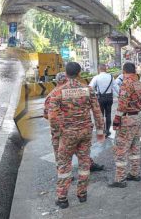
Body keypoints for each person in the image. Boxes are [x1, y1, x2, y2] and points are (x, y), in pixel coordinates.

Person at [47, 62, 105, 209]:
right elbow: (97, 112)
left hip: (67, 134)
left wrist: (58, 133)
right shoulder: (88, 90)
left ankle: (62, 198)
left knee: (64, 165)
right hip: (85, 132)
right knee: (84, 162)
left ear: (65, 74)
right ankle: (82, 194)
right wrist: (100, 132)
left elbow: (52, 117)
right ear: (79, 73)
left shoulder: (58, 92)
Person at [43, 72, 104, 172]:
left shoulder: (53, 94)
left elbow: (46, 115)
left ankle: (83, 167)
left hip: (65, 129)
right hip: (64, 130)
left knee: (65, 152)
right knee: (67, 151)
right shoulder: (57, 94)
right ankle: (68, 172)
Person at [109, 62, 141, 188]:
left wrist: (116, 119)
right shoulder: (140, 84)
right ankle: (134, 173)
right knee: (135, 147)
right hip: (137, 118)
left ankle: (120, 179)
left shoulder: (126, 83)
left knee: (121, 148)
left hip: (127, 119)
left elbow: (122, 104)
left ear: (124, 72)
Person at [89, 64, 117, 137]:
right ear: (106, 69)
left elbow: (90, 88)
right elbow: (116, 87)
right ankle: (107, 131)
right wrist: (120, 96)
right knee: (108, 114)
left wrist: (94, 94)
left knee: (101, 115)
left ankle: (101, 131)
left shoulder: (96, 77)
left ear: (99, 69)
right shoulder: (111, 76)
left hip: (100, 98)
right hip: (109, 98)